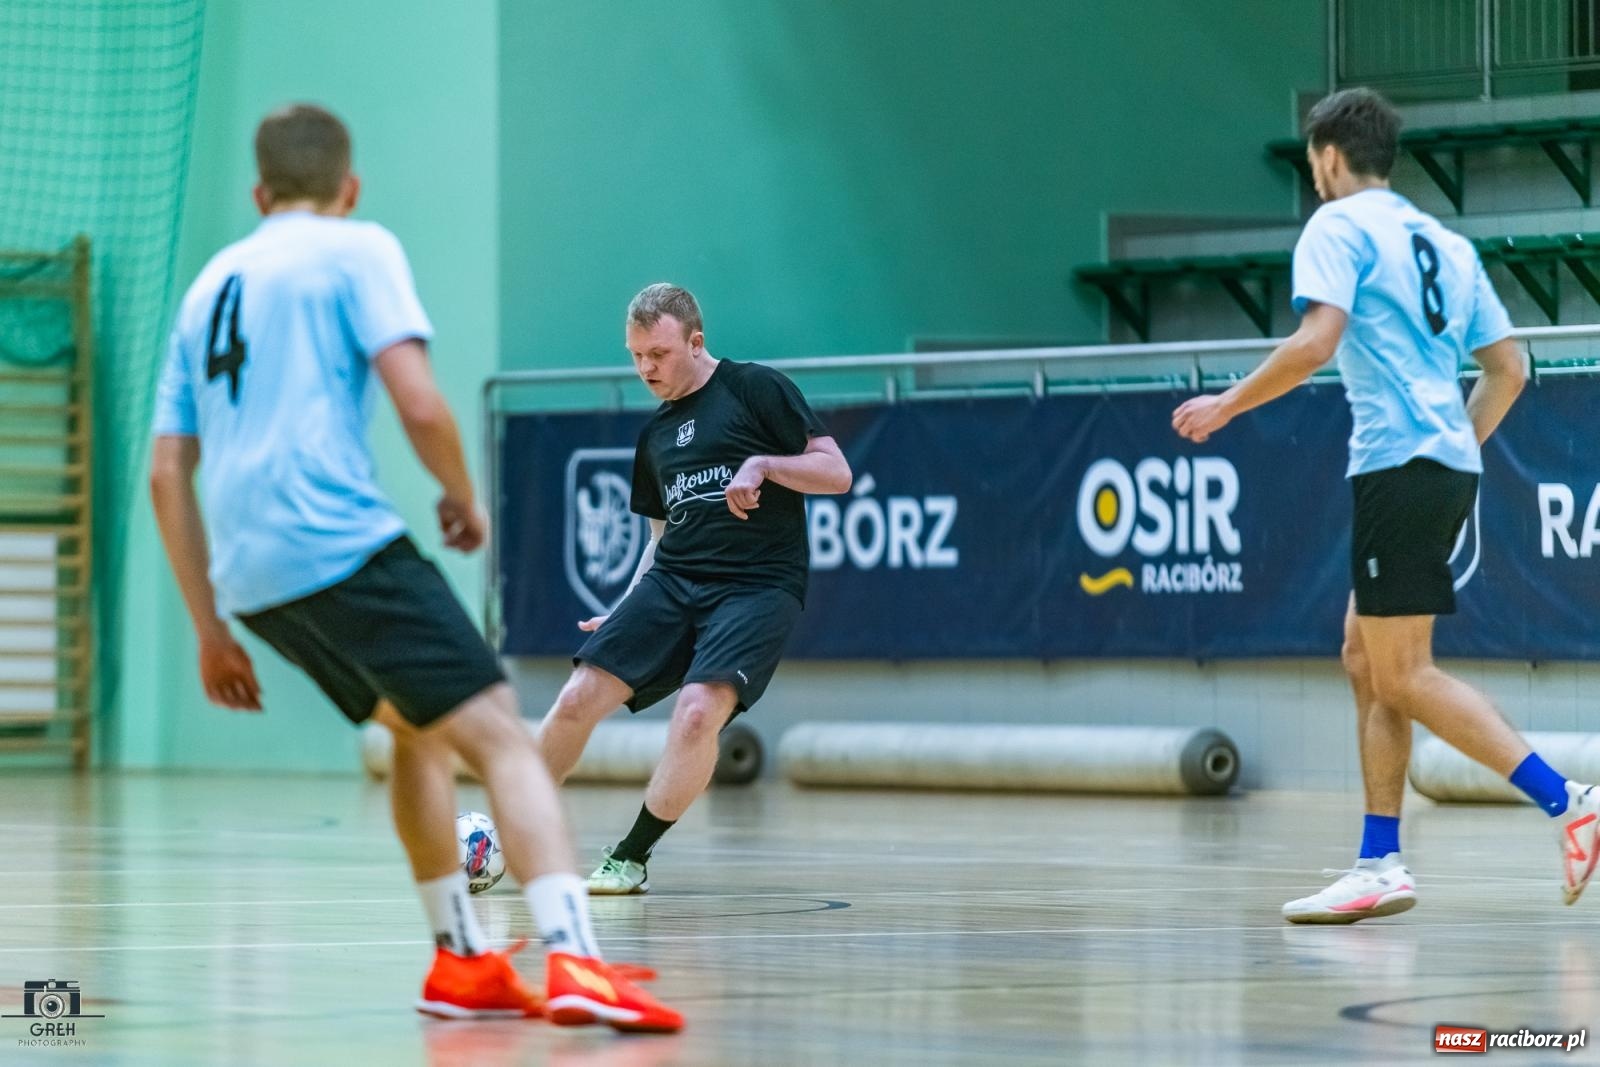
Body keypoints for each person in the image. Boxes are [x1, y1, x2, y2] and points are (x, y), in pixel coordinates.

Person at [149, 103, 681, 1030]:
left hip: (252, 577)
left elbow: (166, 473)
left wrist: (208, 625)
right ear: (347, 188)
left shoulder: (206, 288)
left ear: (258, 192)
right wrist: (463, 496)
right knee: (504, 740)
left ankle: (462, 959)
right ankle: (576, 960)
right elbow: (421, 402)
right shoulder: (356, 248)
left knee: (417, 732)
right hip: (336, 542)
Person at [1172, 87, 1600, 923]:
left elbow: (1315, 342)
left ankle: (1570, 799)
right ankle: (1379, 862)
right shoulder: (1443, 239)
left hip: (1399, 466)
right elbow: (1509, 368)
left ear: (1330, 157)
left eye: (1311, 164)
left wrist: (1227, 404)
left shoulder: (1336, 226)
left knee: (1403, 670)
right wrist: (1454, 445)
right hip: (1436, 462)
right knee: (1366, 658)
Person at [536, 283, 851, 894]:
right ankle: (507, 831)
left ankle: (630, 856)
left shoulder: (755, 388)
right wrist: (627, 606)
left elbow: (835, 473)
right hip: (673, 581)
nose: (645, 368)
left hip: (757, 587)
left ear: (695, 341)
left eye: (657, 353)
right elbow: (657, 537)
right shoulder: (653, 436)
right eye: (635, 356)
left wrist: (765, 464)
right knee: (577, 697)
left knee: (696, 712)